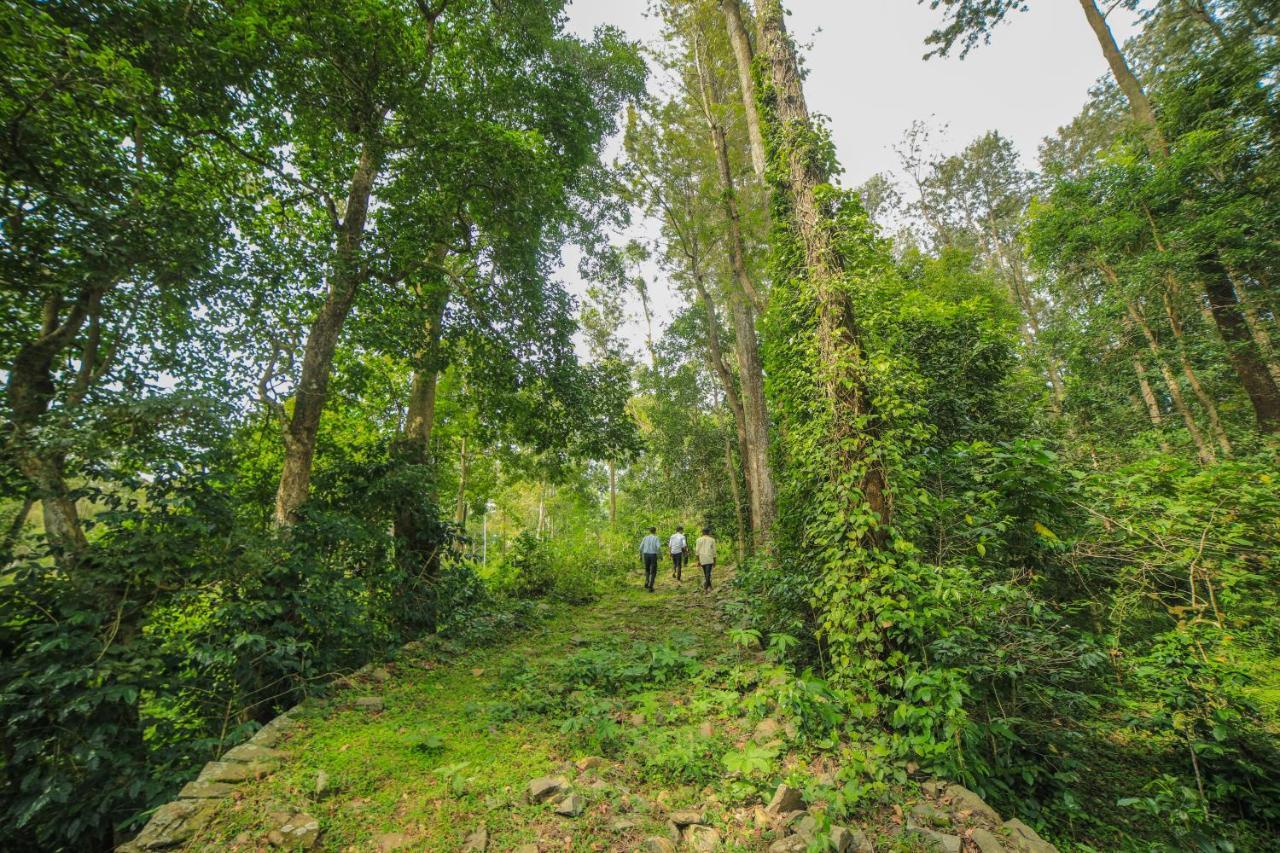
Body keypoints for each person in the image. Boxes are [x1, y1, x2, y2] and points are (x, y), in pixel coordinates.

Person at [640, 526, 661, 591]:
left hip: (645, 555)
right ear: (655, 531)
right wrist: (660, 555)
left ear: (650, 531)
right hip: (653, 555)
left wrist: (640, 556)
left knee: (647, 569)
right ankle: (651, 586)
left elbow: (640, 548)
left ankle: (646, 581)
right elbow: (658, 548)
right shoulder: (656, 538)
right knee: (653, 571)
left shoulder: (645, 538)